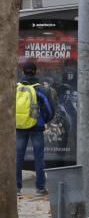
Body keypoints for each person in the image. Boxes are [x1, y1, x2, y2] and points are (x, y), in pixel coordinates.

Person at [15, 60, 54, 196]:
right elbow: (49, 110)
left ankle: (16, 187)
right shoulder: (40, 89)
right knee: (39, 157)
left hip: (19, 126)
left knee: (18, 157)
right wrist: (43, 120)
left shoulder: (16, 88)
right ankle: (40, 188)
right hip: (36, 127)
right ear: (36, 72)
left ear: (23, 72)